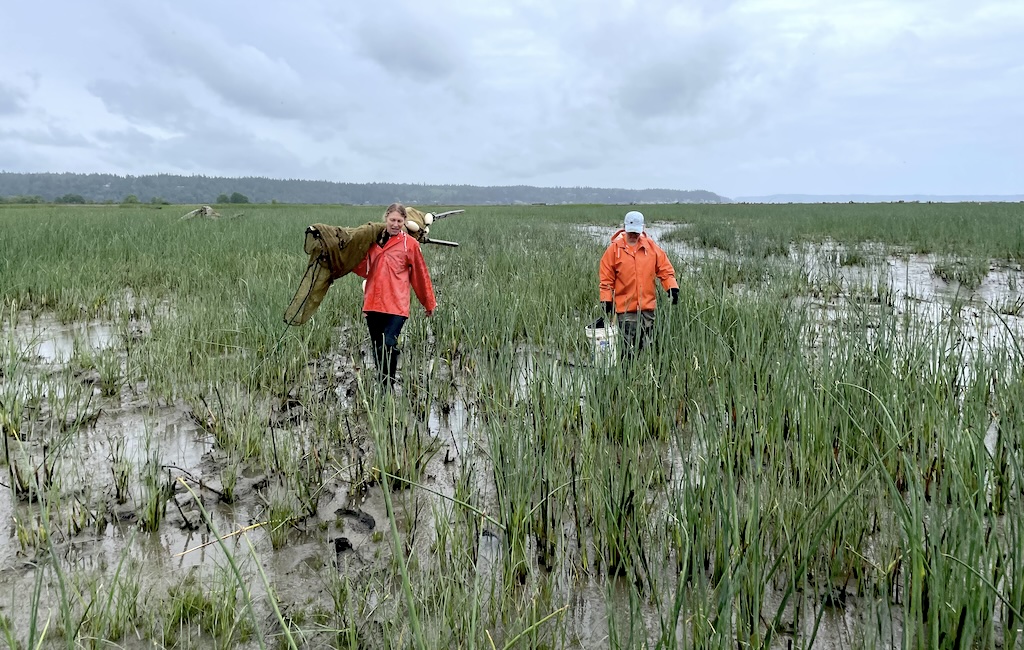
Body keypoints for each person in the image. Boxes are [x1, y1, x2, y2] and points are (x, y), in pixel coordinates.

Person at [353, 203, 436, 388]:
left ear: (405, 222)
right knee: (377, 348)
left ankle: (388, 383)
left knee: (388, 344)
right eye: (392, 220)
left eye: (400, 221)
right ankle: (384, 386)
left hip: (397, 306)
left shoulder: (410, 245)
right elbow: (361, 267)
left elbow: (420, 276)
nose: (396, 224)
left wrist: (428, 303)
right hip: (373, 303)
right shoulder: (373, 243)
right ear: (386, 219)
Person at [598, 210, 678, 360]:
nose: (634, 235)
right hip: (625, 310)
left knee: (647, 347)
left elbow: (665, 270)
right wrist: (606, 300)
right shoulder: (614, 250)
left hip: (647, 308)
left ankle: (645, 374)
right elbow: (606, 280)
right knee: (627, 349)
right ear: (625, 228)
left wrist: (672, 287)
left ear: (643, 229)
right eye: (631, 232)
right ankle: (625, 375)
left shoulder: (651, 247)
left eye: (636, 232)